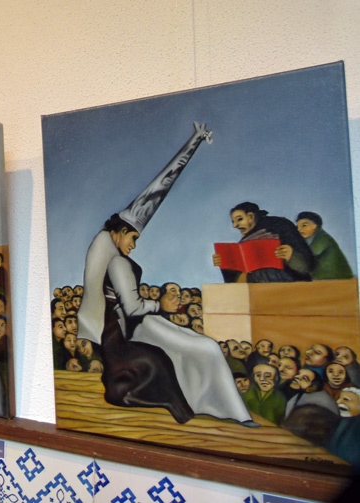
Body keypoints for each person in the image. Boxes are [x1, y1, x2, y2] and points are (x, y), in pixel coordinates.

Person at [77, 122, 253, 425]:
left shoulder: (114, 258)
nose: (134, 245)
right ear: (120, 232)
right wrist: (161, 304)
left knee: (201, 348)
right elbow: (133, 308)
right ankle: (226, 411)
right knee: (202, 348)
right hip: (131, 329)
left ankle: (221, 408)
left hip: (134, 326)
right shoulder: (118, 263)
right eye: (133, 238)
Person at [213, 202, 315, 283]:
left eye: (239, 219)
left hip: (288, 287)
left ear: (251, 216)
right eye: (233, 222)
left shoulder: (280, 226)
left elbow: (308, 265)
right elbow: (235, 282)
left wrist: (291, 255)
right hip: (257, 292)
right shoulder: (243, 243)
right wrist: (225, 264)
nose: (235, 225)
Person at [296, 211, 353, 280]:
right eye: (297, 227)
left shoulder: (323, 238)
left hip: (335, 278)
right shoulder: (310, 239)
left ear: (315, 225)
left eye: (304, 225)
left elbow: (309, 256)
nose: (299, 230)